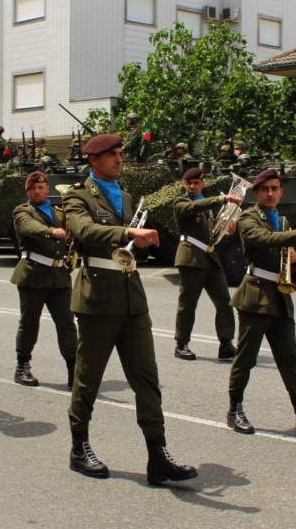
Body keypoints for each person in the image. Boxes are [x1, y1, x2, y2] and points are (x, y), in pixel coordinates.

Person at [62, 133, 197, 484]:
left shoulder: (124, 195)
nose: (119, 159)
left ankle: (157, 455)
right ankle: (79, 447)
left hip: (131, 297)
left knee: (147, 380)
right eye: (111, 155)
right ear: (93, 160)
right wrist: (127, 234)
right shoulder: (77, 195)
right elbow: (85, 230)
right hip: (97, 299)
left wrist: (144, 242)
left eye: (120, 153)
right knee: (88, 379)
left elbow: (130, 246)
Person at [225, 168, 296, 437]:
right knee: (246, 358)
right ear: (257, 192)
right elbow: (264, 240)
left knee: (289, 359)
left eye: (275, 188)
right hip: (256, 296)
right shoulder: (248, 217)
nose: (271, 193)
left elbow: (286, 251)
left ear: (281, 191)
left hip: (280, 296)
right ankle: (235, 409)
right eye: (265, 189)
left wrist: (294, 258)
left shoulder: (283, 221)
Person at [10, 171, 77, 387]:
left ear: (48, 189)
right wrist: (51, 232)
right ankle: (22, 367)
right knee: (29, 324)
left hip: (59, 277)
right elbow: (28, 227)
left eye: (41, 187)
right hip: (33, 275)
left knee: (67, 324)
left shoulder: (59, 213)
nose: (37, 191)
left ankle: (74, 369)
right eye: (33, 189)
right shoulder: (23, 211)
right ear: (27, 192)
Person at [171, 167, 240, 361]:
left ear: (203, 183)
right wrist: (221, 199)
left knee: (225, 302)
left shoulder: (208, 207)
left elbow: (212, 234)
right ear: (185, 184)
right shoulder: (181, 201)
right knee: (188, 304)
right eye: (189, 183)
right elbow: (192, 208)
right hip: (191, 257)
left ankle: (226, 343)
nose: (192, 186)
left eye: (196, 183)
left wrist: (228, 230)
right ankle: (181, 343)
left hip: (210, 257)